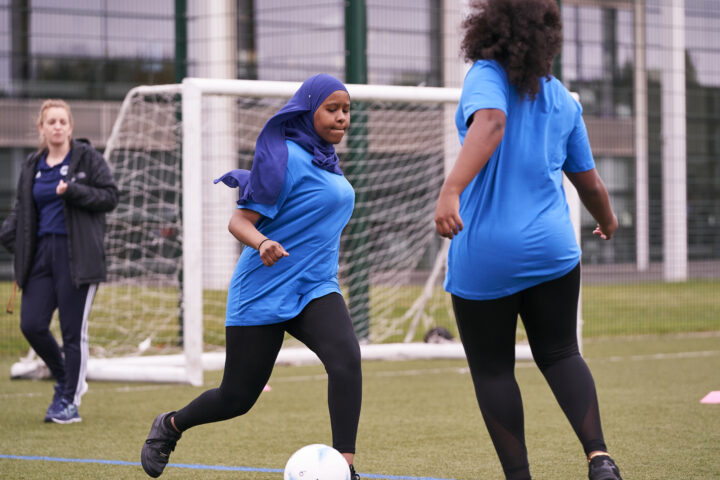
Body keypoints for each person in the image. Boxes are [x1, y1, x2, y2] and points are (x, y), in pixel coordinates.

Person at [433, 1, 623, 479]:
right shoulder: (561, 97)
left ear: (489, 30)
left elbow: (492, 122)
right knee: (561, 353)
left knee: (494, 370)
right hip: (553, 252)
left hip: (487, 255)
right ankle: (599, 458)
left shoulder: (485, 74)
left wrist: (451, 190)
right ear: (546, 40)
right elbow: (590, 184)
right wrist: (608, 219)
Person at [140, 74, 362, 479]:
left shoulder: (326, 162)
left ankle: (346, 469)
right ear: (309, 110)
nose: (342, 118)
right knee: (237, 397)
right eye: (332, 109)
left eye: (346, 110)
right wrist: (262, 243)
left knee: (346, 360)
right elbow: (239, 221)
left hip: (314, 287)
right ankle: (169, 426)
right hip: (262, 288)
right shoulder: (286, 159)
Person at [0, 99, 119, 424]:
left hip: (77, 257)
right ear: (41, 128)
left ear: (70, 127)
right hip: (40, 258)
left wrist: (74, 191)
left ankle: (68, 400)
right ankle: (67, 377)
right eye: (50, 121)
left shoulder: (87, 159)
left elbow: (110, 197)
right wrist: (12, 239)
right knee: (32, 325)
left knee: (72, 332)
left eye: (62, 121)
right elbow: (23, 211)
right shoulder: (31, 164)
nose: (57, 126)